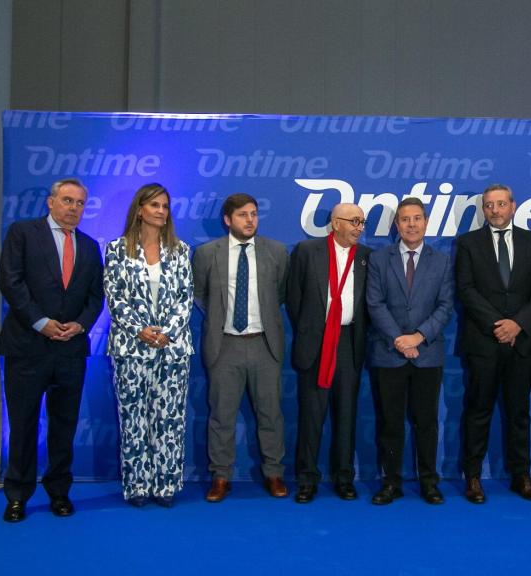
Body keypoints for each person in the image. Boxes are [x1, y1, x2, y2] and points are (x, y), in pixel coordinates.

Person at [0, 178, 104, 522]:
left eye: (80, 203)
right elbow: (10, 281)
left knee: (64, 425)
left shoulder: (88, 246)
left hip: (70, 351)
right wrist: (40, 322)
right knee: (23, 425)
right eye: (68, 200)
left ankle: (59, 492)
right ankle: (17, 495)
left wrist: (82, 324)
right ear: (51, 202)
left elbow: (96, 296)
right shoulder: (22, 233)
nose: (74, 208)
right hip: (27, 348)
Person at [456, 183, 531, 503]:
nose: (495, 210)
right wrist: (498, 325)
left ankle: (521, 476)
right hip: (483, 341)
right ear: (483, 210)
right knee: (477, 411)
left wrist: (518, 324)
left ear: (513, 206)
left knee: (519, 412)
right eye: (488, 205)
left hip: (521, 342)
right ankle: (472, 477)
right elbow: (466, 290)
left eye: (500, 204)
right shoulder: (468, 243)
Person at [193, 193, 289, 502]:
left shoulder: (276, 251)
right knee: (221, 415)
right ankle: (221, 476)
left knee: (271, 414)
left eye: (254, 214)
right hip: (225, 346)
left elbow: (281, 293)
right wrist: (222, 316)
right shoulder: (208, 253)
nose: (250, 220)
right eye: (243, 215)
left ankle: (274, 473)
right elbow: (199, 294)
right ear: (227, 220)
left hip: (264, 344)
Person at [104, 183, 193, 507]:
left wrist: (166, 331)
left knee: (169, 420)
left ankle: (166, 486)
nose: (160, 211)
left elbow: (186, 298)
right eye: (154, 205)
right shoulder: (116, 249)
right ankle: (138, 487)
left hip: (172, 349)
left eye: (165, 206)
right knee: (134, 420)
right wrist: (141, 330)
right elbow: (115, 297)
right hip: (130, 349)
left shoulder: (181, 251)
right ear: (139, 209)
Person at [366, 197, 455, 505]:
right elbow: (374, 304)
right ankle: (391, 482)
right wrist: (399, 339)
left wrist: (418, 337)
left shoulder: (442, 261)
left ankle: (429, 482)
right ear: (396, 225)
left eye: (417, 218)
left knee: (426, 422)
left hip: (427, 354)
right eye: (405, 219)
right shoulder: (379, 259)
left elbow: (446, 306)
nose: (412, 224)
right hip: (388, 354)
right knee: (389, 423)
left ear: (426, 222)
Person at [287, 203, 373, 503]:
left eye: (362, 222)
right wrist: (312, 329)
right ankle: (307, 479)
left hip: (349, 342)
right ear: (336, 223)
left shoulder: (365, 257)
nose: (360, 227)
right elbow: (294, 298)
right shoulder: (307, 251)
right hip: (316, 341)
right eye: (354, 221)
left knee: (346, 414)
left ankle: (344, 477)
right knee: (311, 415)